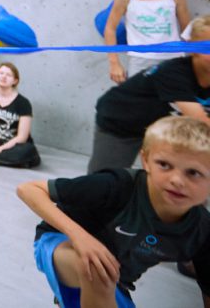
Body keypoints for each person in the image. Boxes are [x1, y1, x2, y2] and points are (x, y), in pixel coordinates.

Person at [18, 115, 210, 308]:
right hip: (59, 243)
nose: (177, 180)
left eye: (193, 173)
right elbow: (28, 190)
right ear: (146, 161)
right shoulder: (118, 185)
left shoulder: (202, 230)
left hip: (118, 282)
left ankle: (73, 297)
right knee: (96, 269)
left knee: (102, 276)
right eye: (164, 165)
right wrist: (81, 238)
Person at [88, 15, 210, 173]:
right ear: (194, 50)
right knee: (103, 181)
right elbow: (201, 122)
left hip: (162, 127)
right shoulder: (174, 73)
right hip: (121, 120)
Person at [103, 0, 191, 83]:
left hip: (173, 58)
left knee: (176, 102)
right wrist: (114, 63)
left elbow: (188, 30)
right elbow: (110, 29)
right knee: (140, 102)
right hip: (140, 61)